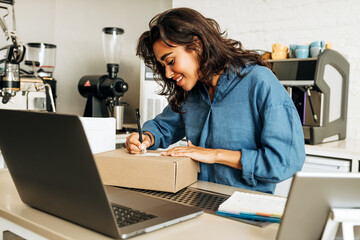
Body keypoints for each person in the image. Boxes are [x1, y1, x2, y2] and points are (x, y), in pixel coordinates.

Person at [126, 7, 305, 193]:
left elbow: (285, 162)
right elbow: (164, 127)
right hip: (197, 199)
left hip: (246, 209)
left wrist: (215, 155)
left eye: (170, 61)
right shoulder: (190, 92)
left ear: (197, 45)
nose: (168, 73)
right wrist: (145, 137)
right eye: (162, 66)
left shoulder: (259, 81)